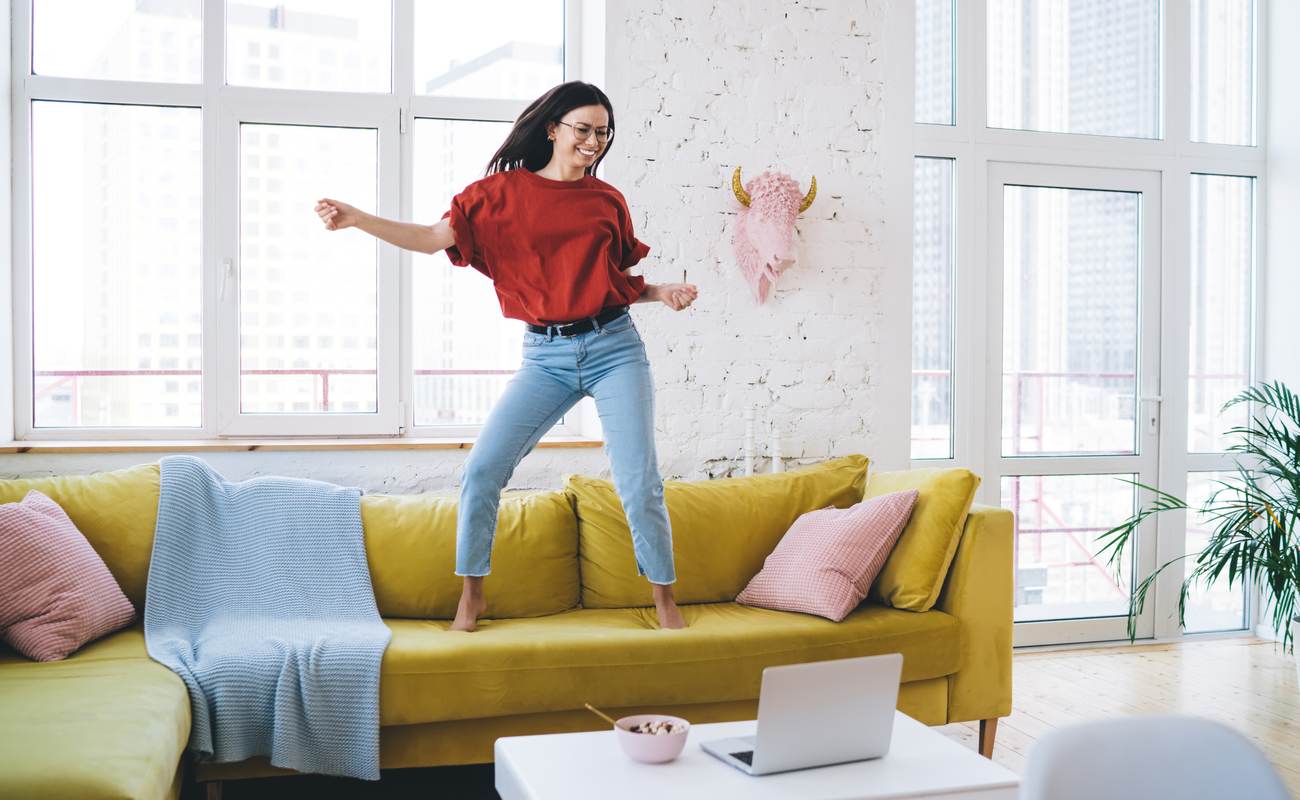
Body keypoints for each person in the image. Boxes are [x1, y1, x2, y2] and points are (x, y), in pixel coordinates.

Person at [315, 81, 698, 632]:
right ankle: (472, 595)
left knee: (639, 481)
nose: (594, 142)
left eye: (603, 132)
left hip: (615, 348)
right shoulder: (495, 196)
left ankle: (665, 601)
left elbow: (610, 283)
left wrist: (660, 292)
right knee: (483, 469)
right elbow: (429, 237)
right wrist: (358, 219)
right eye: (583, 129)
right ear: (552, 128)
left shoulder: (607, 200)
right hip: (545, 356)